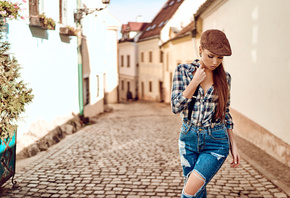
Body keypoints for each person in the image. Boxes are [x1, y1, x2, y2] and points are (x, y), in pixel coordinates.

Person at [171, 29, 240, 198]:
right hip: (188, 139)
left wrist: (233, 144)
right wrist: (194, 82)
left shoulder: (226, 78)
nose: (215, 62)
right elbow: (175, 106)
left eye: (220, 57)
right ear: (200, 49)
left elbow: (225, 112)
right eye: (211, 56)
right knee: (198, 192)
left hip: (215, 142)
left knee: (189, 193)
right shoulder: (183, 71)